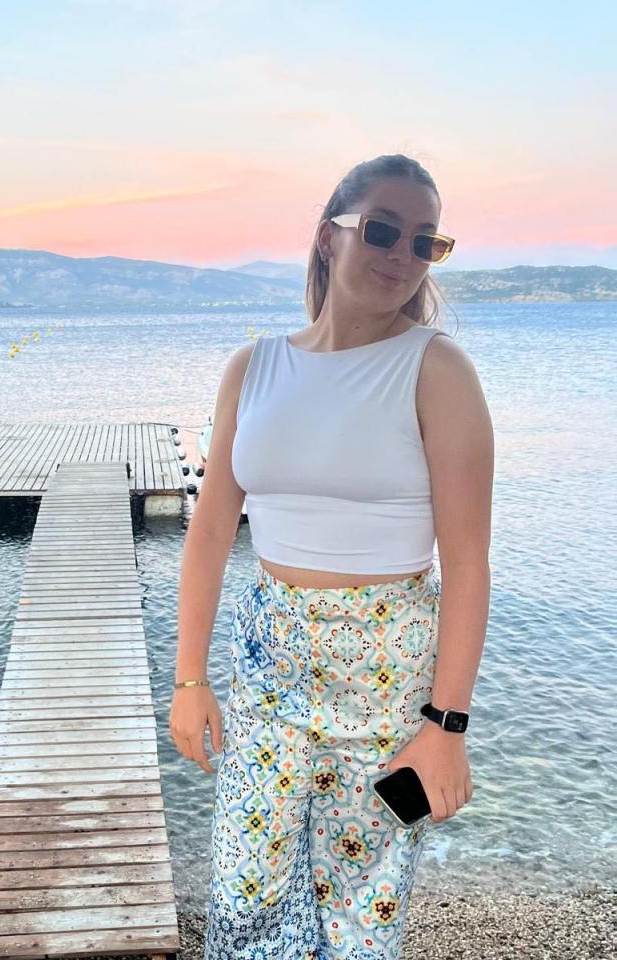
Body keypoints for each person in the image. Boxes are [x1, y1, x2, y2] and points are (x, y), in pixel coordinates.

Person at [170, 154, 494, 960]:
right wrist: (189, 678)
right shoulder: (253, 368)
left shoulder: (437, 368)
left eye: (426, 241)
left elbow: (468, 562)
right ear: (327, 238)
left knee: (364, 909)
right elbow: (210, 533)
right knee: (245, 894)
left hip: (391, 677)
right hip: (268, 660)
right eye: (381, 229)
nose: (400, 254)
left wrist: (446, 726)